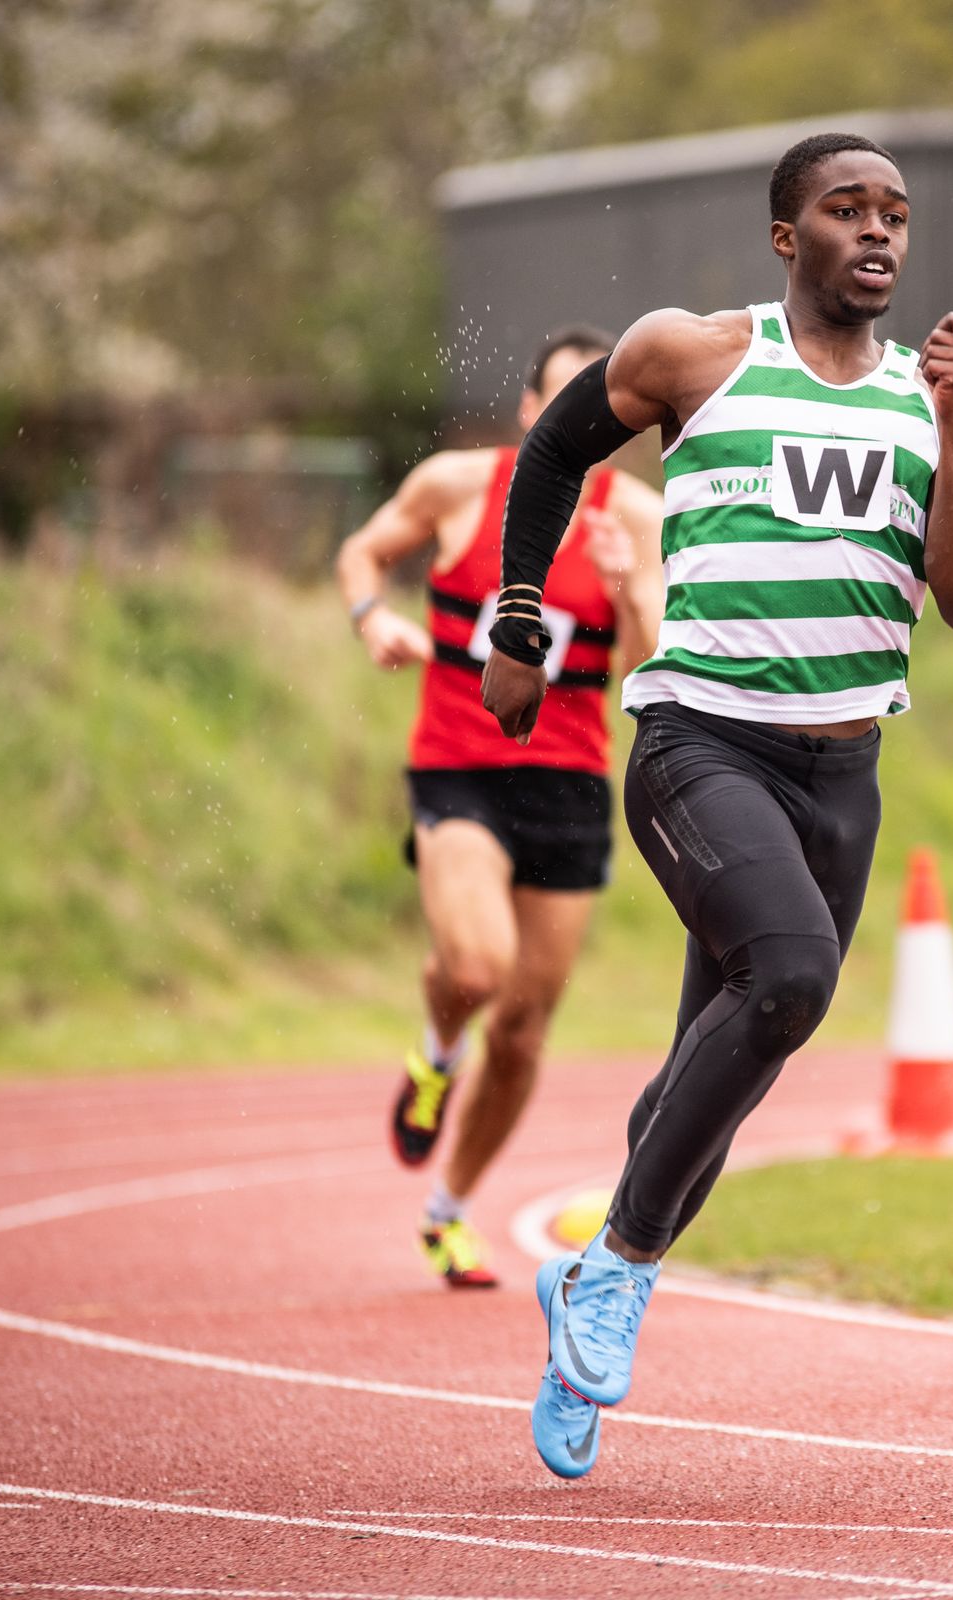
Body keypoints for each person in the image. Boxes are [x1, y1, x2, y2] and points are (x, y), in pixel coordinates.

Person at [478, 132, 953, 1477]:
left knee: (712, 1084)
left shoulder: (939, 403)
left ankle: (580, 1312)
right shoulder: (695, 355)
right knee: (789, 980)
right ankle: (617, 1268)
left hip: (844, 776)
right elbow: (551, 455)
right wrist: (522, 616)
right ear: (788, 237)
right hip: (701, 744)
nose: (878, 231)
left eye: (896, 213)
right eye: (848, 209)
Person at [334, 325, 663, 1290]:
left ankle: (448, 1213)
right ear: (529, 409)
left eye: (604, 409)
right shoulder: (457, 485)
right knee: (478, 966)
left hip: (570, 782)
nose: (584, 423)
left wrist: (625, 588)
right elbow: (362, 552)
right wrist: (372, 617)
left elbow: (648, 671)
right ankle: (437, 1054)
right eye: (565, 401)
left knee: (522, 1032)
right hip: (459, 767)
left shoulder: (637, 519)